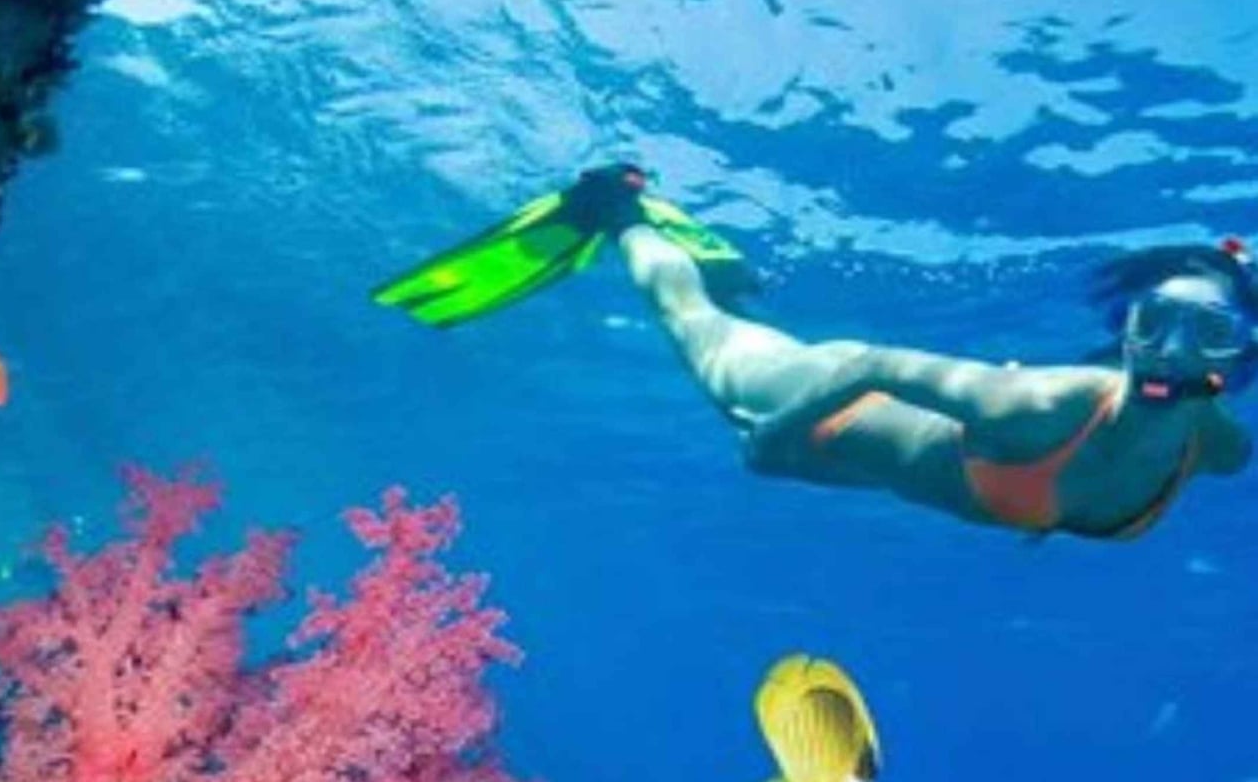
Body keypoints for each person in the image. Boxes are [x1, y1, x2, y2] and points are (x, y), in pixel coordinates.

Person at [373, 163, 1254, 539]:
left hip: (866, 464)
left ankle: (711, 268)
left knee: (723, 315)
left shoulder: (1215, 446)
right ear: (1128, 329)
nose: (1169, 355)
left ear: (1239, 362)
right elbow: (866, 361)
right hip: (822, 400)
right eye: (1152, 323)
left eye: (1206, 336)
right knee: (693, 325)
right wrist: (772, 441)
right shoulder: (1036, 407)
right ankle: (620, 212)